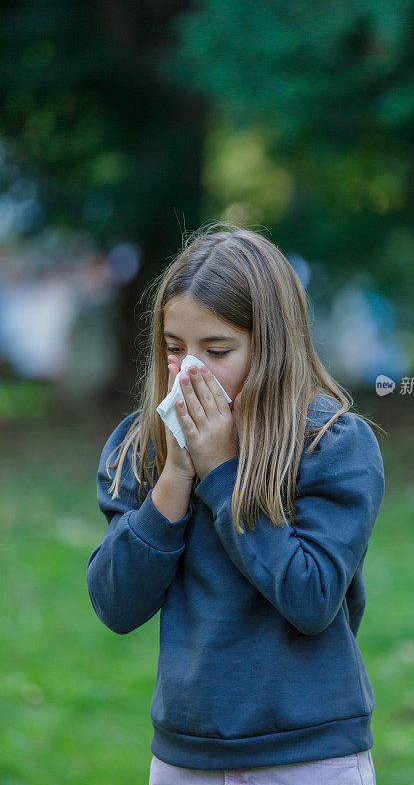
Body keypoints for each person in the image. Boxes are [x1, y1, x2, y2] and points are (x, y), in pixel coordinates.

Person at [86, 222, 385, 784]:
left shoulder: (332, 443)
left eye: (217, 350)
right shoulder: (140, 448)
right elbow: (116, 605)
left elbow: (312, 596)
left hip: (310, 756)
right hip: (184, 757)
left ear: (272, 347)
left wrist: (223, 472)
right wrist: (177, 473)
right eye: (175, 350)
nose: (190, 371)